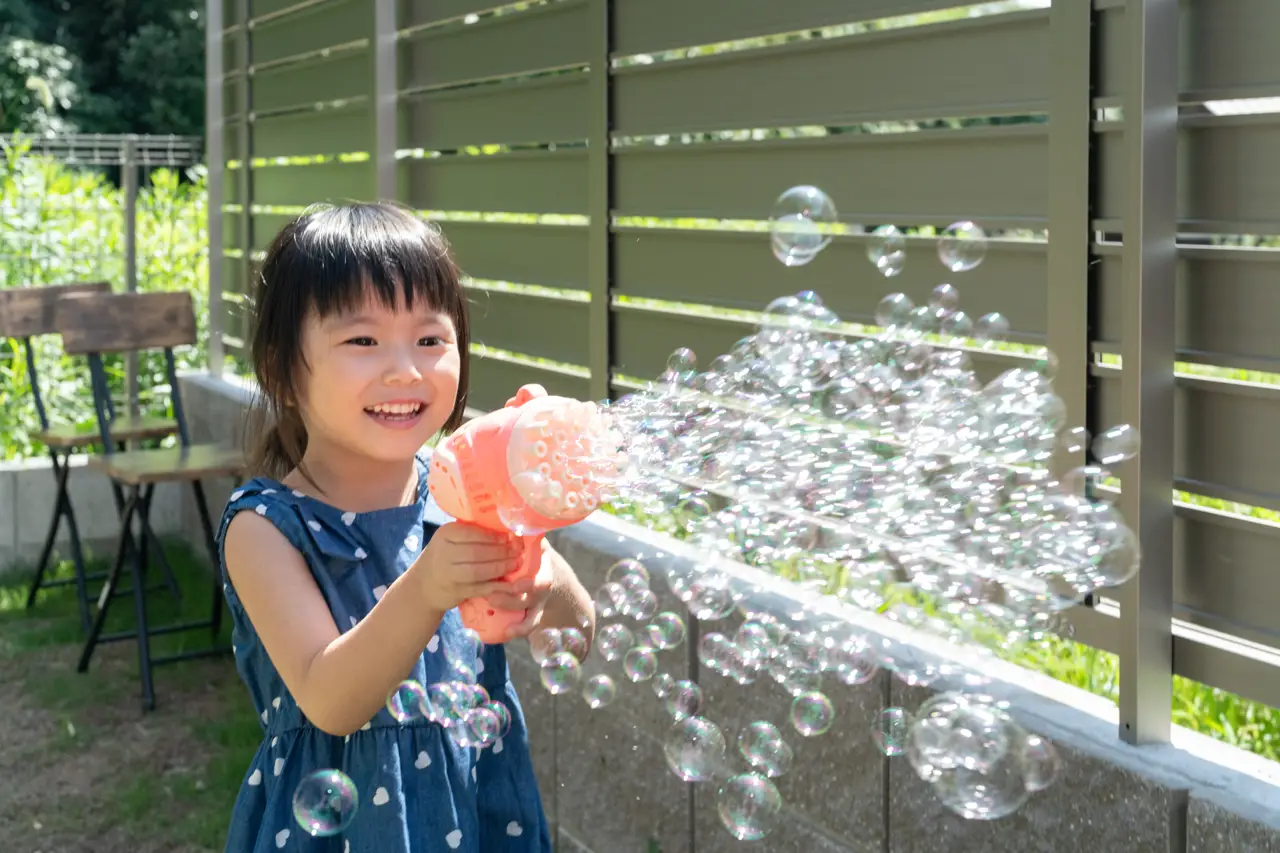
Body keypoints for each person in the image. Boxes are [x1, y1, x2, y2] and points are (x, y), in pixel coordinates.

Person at [216, 201, 594, 852]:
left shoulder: (468, 496)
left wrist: (535, 570)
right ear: (281, 369)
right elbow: (330, 699)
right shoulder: (266, 528)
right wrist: (426, 587)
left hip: (478, 814)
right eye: (363, 340)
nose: (405, 368)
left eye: (430, 339)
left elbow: (575, 631)